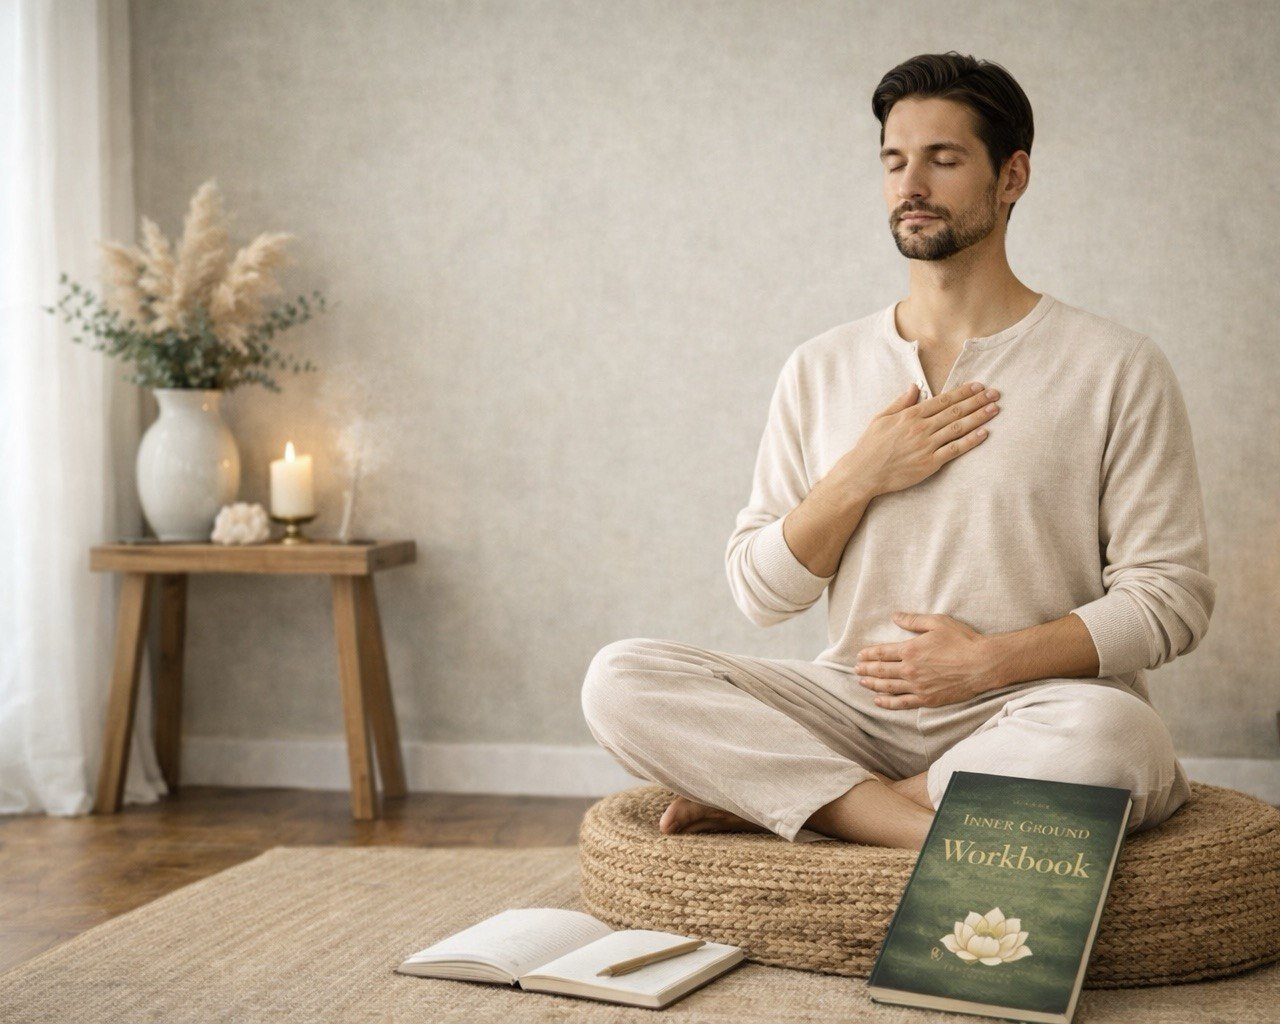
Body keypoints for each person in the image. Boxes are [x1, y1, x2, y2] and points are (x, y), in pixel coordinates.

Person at [579, 51, 1215, 851]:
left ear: (1011, 177)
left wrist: (986, 665)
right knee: (621, 679)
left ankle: (815, 803)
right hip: (850, 708)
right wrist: (859, 476)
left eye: (943, 160)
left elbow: (1170, 599)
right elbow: (761, 595)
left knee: (1118, 737)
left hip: (1030, 708)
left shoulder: (1115, 365)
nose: (910, 185)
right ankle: (911, 818)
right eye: (894, 161)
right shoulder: (820, 366)